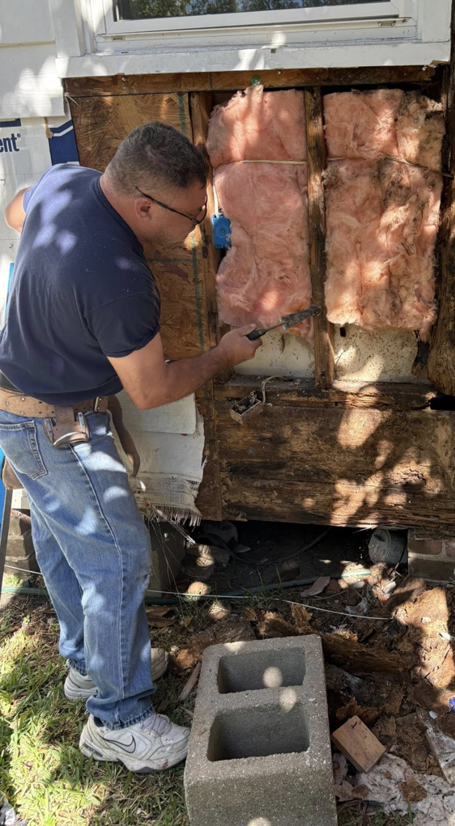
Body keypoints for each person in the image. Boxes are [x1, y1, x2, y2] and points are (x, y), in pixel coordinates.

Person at [0, 122, 262, 773]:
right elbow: (151, 389)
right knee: (116, 559)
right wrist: (224, 355)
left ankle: (91, 669)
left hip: (12, 410)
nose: (199, 229)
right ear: (146, 206)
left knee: (62, 542)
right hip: (60, 428)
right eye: (193, 215)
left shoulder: (65, 183)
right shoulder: (120, 278)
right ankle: (117, 723)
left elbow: (14, 209)